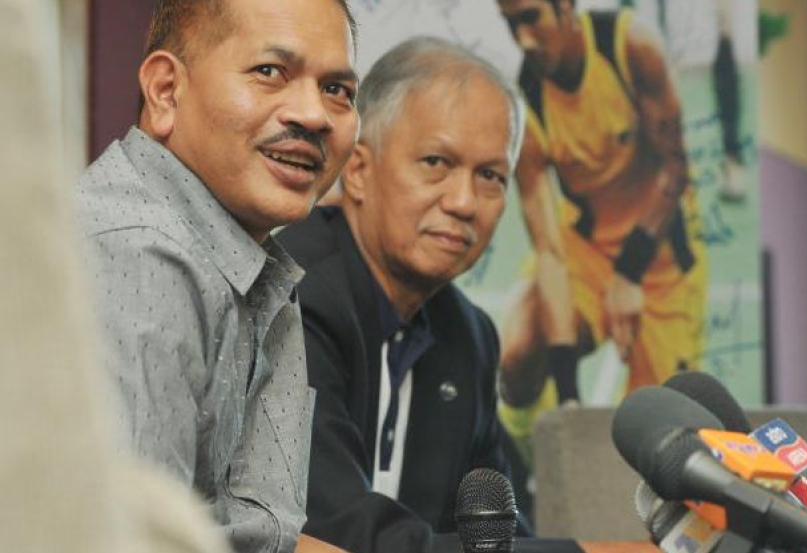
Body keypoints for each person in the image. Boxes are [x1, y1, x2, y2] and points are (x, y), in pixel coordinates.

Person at [74, 0, 359, 551]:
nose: (315, 115)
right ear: (165, 91)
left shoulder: (246, 259)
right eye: (270, 72)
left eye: (337, 90)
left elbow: (256, 538)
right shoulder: (140, 253)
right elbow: (132, 543)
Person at [277, 37, 541, 553]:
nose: (464, 202)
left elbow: (497, 535)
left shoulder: (470, 336)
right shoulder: (293, 292)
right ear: (358, 171)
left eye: (490, 176)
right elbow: (332, 525)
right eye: (436, 162)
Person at [494, 0, 707, 435]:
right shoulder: (526, 106)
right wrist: (568, 393)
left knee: (658, 432)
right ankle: (533, 459)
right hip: (585, 252)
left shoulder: (630, 47)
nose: (523, 39)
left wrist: (629, 271)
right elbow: (549, 252)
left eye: (531, 18)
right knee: (516, 356)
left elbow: (675, 170)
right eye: (511, 24)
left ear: (566, 7)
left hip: (660, 261)